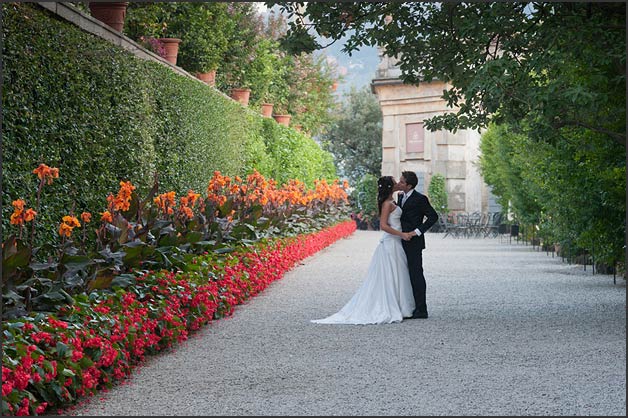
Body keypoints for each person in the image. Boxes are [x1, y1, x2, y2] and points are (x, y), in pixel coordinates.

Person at [311, 176, 415, 325]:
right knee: (392, 274)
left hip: (396, 242)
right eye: (395, 183)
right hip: (392, 242)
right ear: (390, 187)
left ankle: (401, 305)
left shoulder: (394, 200)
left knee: (398, 273)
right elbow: (383, 226)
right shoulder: (387, 204)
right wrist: (402, 234)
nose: (398, 184)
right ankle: (392, 306)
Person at [396, 171, 438, 319]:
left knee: (416, 274)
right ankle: (408, 306)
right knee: (402, 274)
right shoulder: (400, 196)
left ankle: (422, 309)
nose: (399, 183)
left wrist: (417, 232)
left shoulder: (421, 199)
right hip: (399, 240)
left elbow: (433, 216)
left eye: (401, 182)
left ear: (409, 185)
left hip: (414, 242)